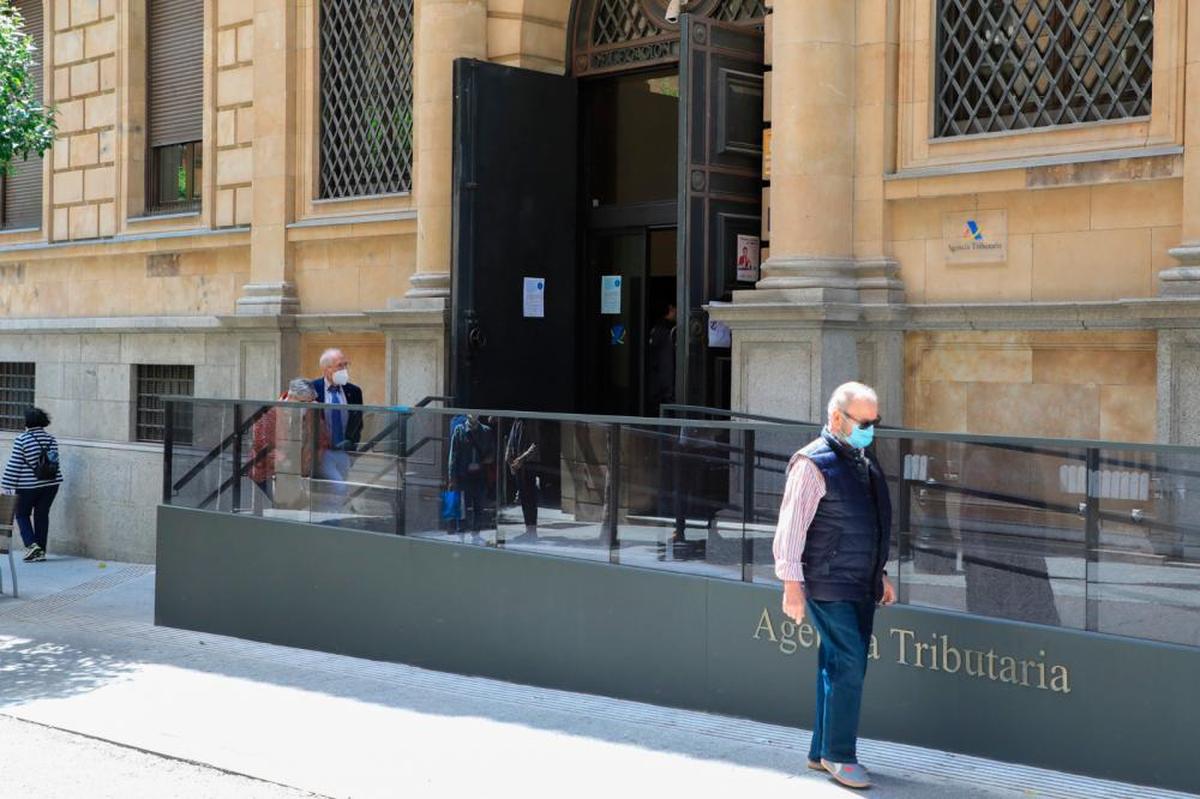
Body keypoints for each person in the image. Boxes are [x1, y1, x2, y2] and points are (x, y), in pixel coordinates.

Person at [772, 382, 896, 789]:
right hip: (828, 582)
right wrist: (791, 585)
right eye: (864, 422)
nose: (870, 429)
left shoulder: (862, 460)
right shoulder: (812, 464)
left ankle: (819, 751)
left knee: (836, 663)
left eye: (875, 422)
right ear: (836, 418)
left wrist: (880, 573)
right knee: (849, 665)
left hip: (859, 581)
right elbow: (790, 529)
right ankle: (839, 755)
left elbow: (869, 525)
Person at [249, 379, 332, 504]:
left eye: (311, 402)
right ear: (292, 397)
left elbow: (322, 439)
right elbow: (261, 445)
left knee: (299, 505)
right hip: (271, 473)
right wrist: (286, 466)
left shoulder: (311, 410)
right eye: (304, 402)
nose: (308, 406)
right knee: (285, 506)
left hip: (301, 472)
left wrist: (309, 462)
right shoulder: (270, 413)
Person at [2, 407, 63, 563]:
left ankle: (31, 546)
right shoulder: (51, 439)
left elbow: (14, 465)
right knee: (42, 515)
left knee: (22, 514)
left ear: (27, 422)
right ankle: (41, 550)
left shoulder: (22, 439)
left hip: (27, 486)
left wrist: (5, 484)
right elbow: (53, 462)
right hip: (51, 484)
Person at [309, 348, 364, 485]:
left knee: (336, 490)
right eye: (340, 365)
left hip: (344, 452)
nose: (344, 369)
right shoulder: (312, 389)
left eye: (346, 365)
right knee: (338, 487)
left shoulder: (354, 391)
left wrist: (352, 452)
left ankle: (331, 508)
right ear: (326, 369)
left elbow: (358, 423)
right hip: (322, 452)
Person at [448, 414, 492, 541]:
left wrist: (484, 462)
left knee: (479, 506)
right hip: (463, 476)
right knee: (461, 507)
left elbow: (491, 453)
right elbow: (453, 456)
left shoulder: (486, 431)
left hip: (479, 476)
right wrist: (452, 477)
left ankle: (476, 533)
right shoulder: (459, 430)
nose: (473, 415)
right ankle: (460, 533)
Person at [505, 418, 540, 542]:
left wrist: (521, 459)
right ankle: (528, 530)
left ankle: (532, 531)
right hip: (518, 466)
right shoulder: (516, 421)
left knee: (531, 499)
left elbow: (534, 445)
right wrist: (509, 461)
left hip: (529, 466)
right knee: (524, 499)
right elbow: (510, 442)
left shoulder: (531, 421)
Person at [647, 302, 677, 417]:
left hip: (660, 382)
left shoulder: (658, 329)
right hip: (665, 383)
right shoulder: (665, 330)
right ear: (671, 308)